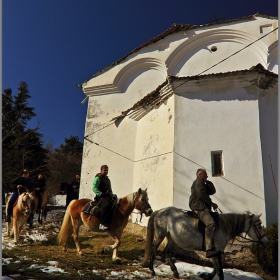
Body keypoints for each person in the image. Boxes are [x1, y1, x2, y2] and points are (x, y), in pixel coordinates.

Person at [189, 168, 219, 258]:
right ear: (200, 175)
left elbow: (212, 191)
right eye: (205, 175)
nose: (207, 176)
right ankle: (209, 249)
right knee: (210, 223)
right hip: (199, 206)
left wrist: (208, 182)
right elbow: (201, 195)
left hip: (202, 206)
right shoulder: (198, 182)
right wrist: (211, 203)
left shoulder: (203, 183)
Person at [92, 165, 114, 230]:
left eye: (107, 170)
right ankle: (102, 223)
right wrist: (100, 194)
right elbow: (94, 188)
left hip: (107, 196)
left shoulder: (108, 179)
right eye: (104, 170)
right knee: (107, 205)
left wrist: (112, 195)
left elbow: (110, 189)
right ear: (101, 170)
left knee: (115, 204)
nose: (106, 171)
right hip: (100, 197)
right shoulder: (98, 178)